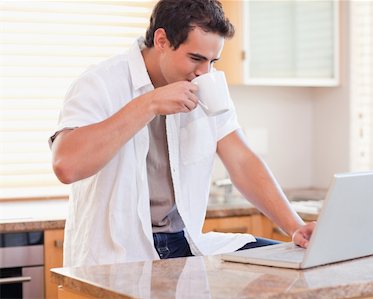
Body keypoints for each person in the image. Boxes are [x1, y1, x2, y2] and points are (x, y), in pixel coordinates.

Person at [50, 0, 315, 267]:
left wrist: (295, 227)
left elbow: (242, 161)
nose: (205, 72)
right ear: (162, 40)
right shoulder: (100, 82)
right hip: (118, 254)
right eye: (196, 58)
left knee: (290, 267)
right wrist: (150, 103)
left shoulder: (205, 84)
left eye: (212, 61)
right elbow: (67, 166)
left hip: (184, 242)